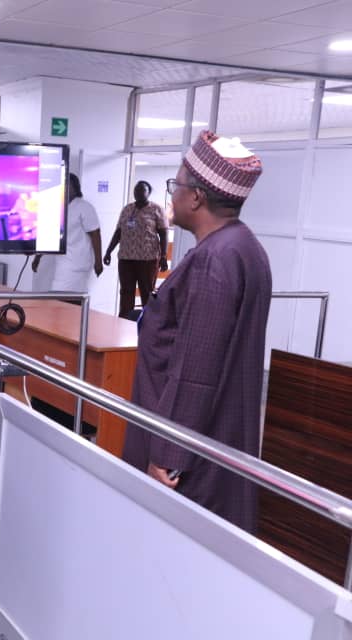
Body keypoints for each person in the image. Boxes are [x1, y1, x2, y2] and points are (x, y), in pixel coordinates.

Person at [121, 130, 270, 533]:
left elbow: (195, 372)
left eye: (176, 186)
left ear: (197, 198)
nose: (172, 196)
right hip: (217, 434)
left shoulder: (213, 261)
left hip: (190, 460)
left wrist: (167, 454)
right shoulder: (244, 248)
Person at [103, 179, 169, 318]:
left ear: (148, 192)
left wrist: (163, 256)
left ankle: (148, 322)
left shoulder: (156, 209)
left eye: (141, 190)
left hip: (147, 259)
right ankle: (124, 319)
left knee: (147, 291)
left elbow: (163, 234)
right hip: (126, 257)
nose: (138, 192)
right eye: (136, 190)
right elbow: (118, 232)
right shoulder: (127, 209)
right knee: (126, 291)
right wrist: (109, 251)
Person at [31, 173, 103, 292]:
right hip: (63, 261)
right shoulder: (59, 208)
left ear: (75, 188)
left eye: (67, 185)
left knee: (62, 296)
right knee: (63, 298)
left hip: (77, 262)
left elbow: (95, 234)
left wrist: (98, 262)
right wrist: (37, 257)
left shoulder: (84, 207)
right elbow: (50, 235)